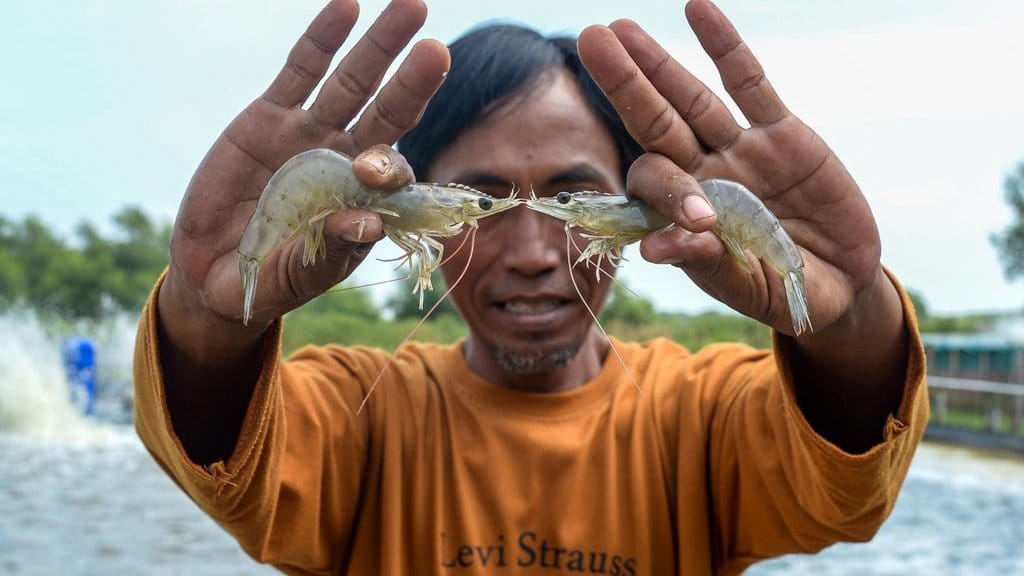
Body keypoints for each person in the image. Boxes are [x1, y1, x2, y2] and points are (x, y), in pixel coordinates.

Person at [133, 0, 928, 574]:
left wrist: (851, 318)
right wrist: (209, 319)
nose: (533, 251)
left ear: (647, 204)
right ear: (412, 198)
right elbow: (226, 465)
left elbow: (847, 495)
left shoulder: (702, 411)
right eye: (482, 198)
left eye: (572, 195)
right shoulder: (357, 408)